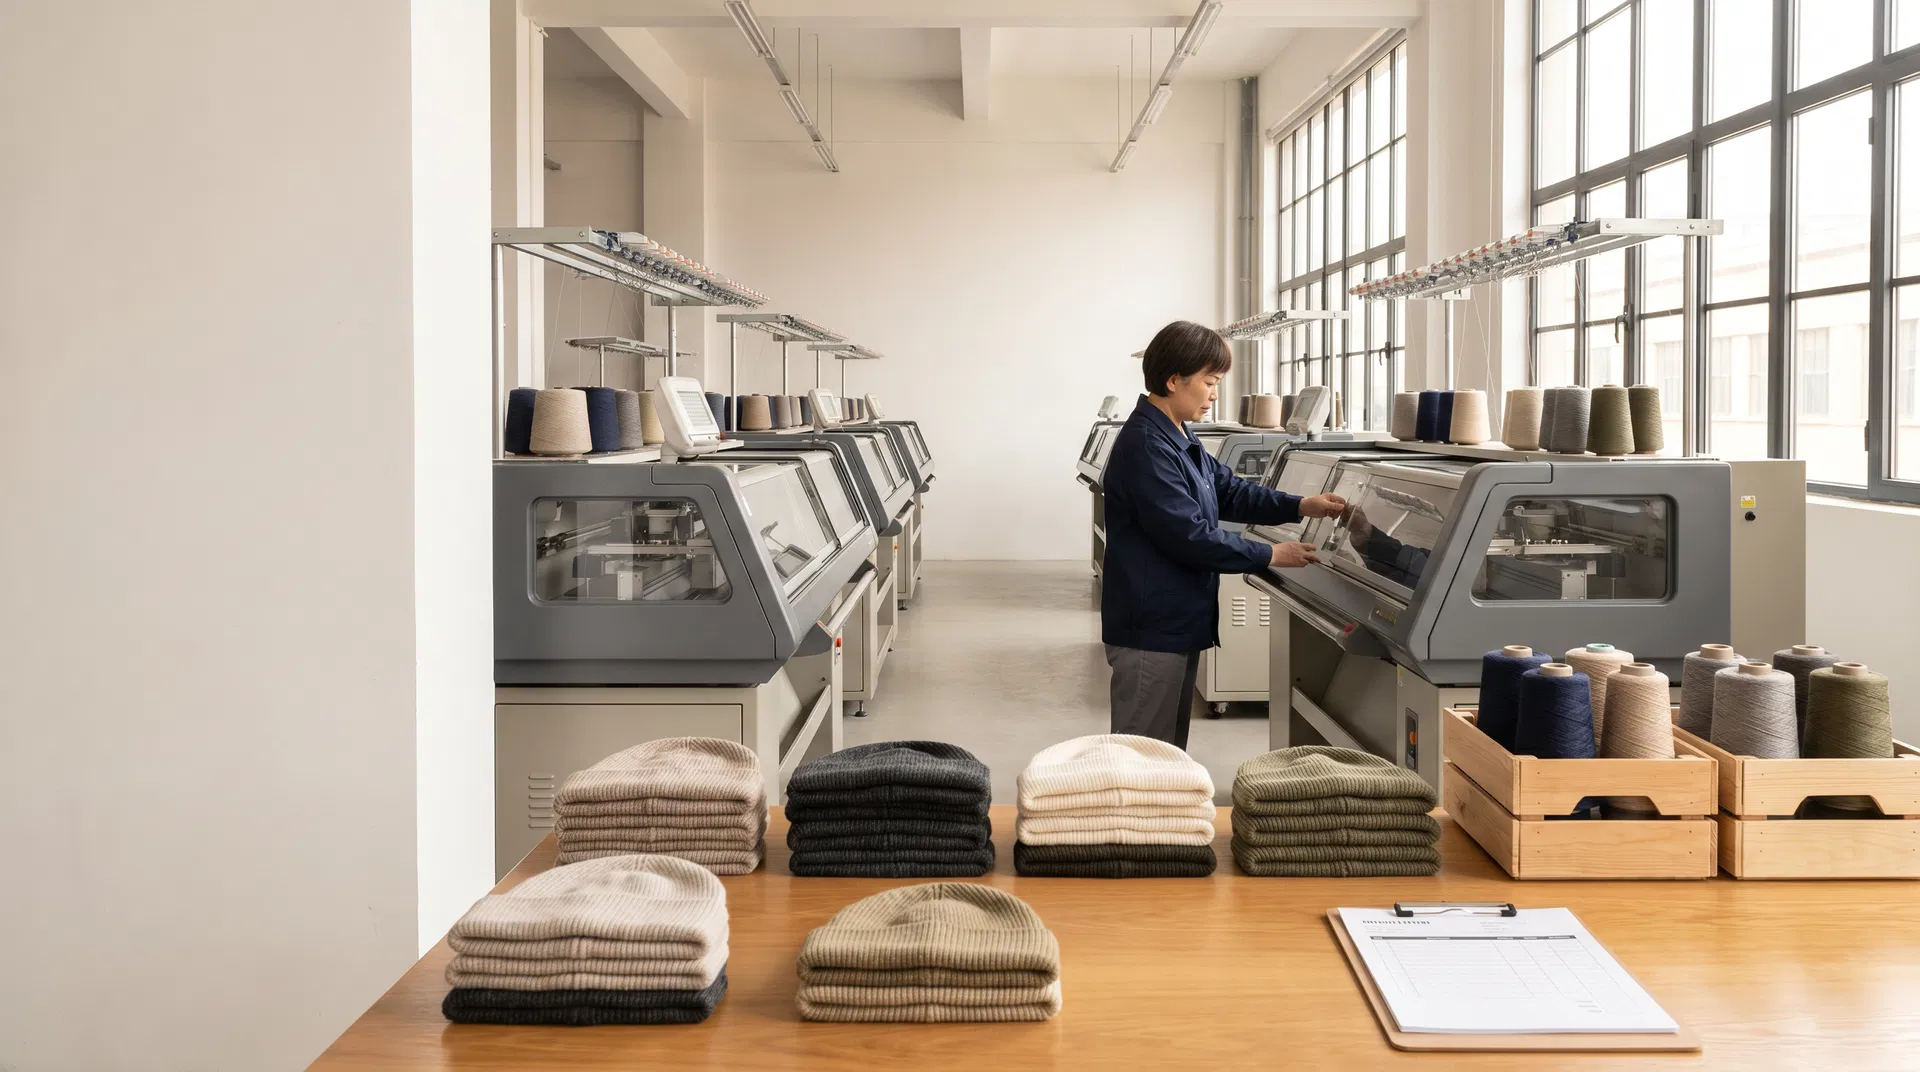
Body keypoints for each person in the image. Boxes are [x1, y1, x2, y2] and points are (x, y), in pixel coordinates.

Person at [1099, 320, 1347, 747]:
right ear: (1174, 380)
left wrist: (1299, 505)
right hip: (1150, 626)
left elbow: (1229, 490)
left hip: (1174, 620)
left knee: (1167, 753)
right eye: (1210, 382)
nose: (1215, 394)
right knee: (1140, 757)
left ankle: (1167, 815)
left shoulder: (1178, 433)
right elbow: (1188, 535)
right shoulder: (1146, 445)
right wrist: (1270, 555)